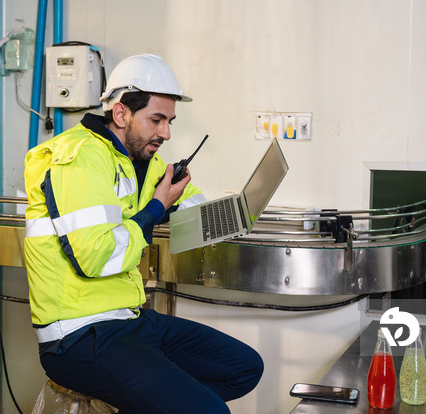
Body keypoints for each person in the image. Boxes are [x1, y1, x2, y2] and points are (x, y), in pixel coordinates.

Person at [23, 54, 263, 414]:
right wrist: (156, 208)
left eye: (169, 121)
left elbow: (188, 208)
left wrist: (235, 213)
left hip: (129, 320)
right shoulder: (79, 159)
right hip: (78, 337)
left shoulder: (139, 161)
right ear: (121, 114)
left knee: (243, 369)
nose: (166, 133)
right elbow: (97, 257)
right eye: (157, 119)